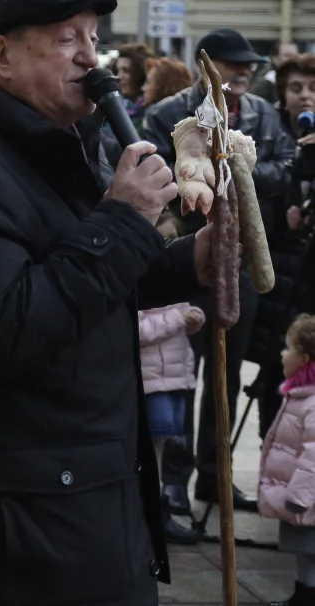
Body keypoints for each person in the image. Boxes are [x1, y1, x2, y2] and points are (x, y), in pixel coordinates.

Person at [0, 0, 215, 603]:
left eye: (94, 38)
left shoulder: (58, 142)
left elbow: (98, 277)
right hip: (12, 529)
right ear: (1, 55)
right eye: (67, 40)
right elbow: (4, 331)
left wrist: (192, 261)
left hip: (69, 492)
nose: (92, 60)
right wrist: (121, 218)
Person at [143, 27, 295, 516]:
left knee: (225, 376)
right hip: (185, 258)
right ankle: (175, 479)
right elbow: (160, 177)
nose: (246, 71)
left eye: (250, 64)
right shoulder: (167, 115)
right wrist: (205, 166)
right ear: (210, 66)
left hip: (244, 261)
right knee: (182, 373)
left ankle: (217, 476)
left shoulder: (263, 114)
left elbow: (284, 170)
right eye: (235, 64)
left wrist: (235, 166)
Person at [250, 53, 315, 443]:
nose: (305, 96)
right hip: (279, 280)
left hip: (309, 276)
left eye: (312, 89)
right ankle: (271, 461)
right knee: (278, 371)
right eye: (296, 88)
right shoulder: (271, 141)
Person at [139, 210, 205, 546]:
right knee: (149, 451)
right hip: (150, 383)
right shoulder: (137, 279)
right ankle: (150, 512)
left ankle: (162, 504)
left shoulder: (175, 281)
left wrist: (193, 318)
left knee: (164, 448)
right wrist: (177, 320)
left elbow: (182, 315)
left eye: (170, 242)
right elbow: (138, 329)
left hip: (174, 380)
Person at [258, 313, 315, 606]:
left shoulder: (312, 403)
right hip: (303, 498)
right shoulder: (301, 396)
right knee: (305, 553)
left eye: (289, 347)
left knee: (311, 549)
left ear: (304, 358)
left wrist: (300, 496)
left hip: (307, 499)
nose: (283, 353)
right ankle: (304, 595)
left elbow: (314, 456)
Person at [252, 39, 300, 104]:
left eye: (296, 55)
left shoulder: (300, 75)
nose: (293, 59)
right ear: (275, 59)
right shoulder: (268, 78)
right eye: (288, 55)